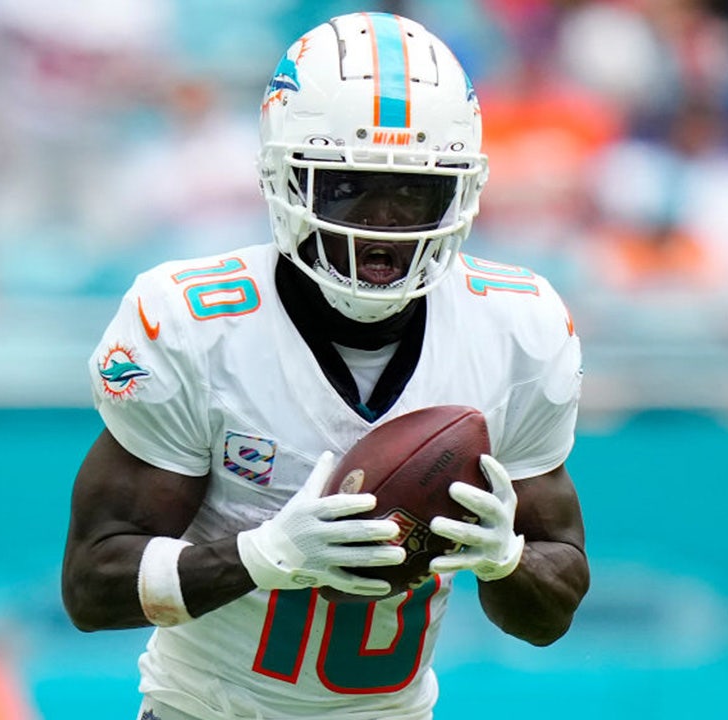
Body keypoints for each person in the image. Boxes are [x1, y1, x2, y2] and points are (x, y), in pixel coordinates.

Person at [62, 12, 589, 720]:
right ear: (286, 180)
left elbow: (549, 612)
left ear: (459, 193)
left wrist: (505, 559)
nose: (380, 223)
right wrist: (263, 555)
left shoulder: (515, 329)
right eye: (347, 186)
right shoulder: (198, 325)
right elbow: (92, 586)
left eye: (413, 192)